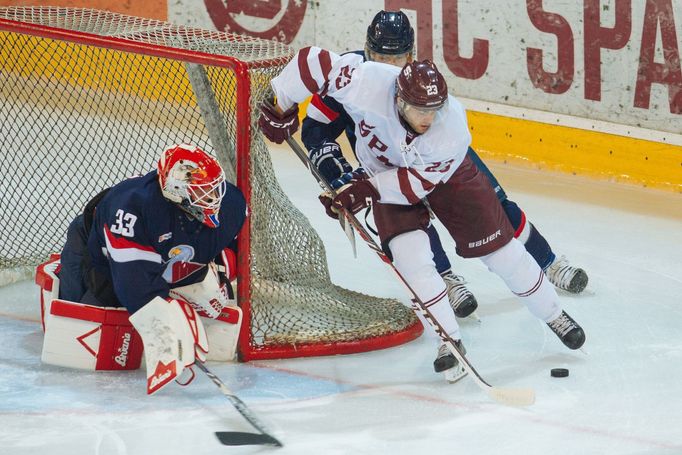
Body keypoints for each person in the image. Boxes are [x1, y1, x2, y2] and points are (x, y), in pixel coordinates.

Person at [258, 48, 586, 381]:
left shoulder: (451, 129)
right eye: (419, 110)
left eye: (433, 109)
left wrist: (361, 190)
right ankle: (449, 340)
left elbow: (413, 186)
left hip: (448, 176)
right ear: (400, 100)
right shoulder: (366, 83)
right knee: (409, 258)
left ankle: (554, 314)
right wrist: (280, 101)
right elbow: (314, 62)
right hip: (383, 173)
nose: (427, 118)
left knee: (501, 252)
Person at [301, 10, 588, 302]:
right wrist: (337, 175)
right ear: (366, 50)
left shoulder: (422, 80)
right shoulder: (349, 76)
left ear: (410, 56)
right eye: (379, 57)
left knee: (494, 205)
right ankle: (446, 280)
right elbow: (314, 130)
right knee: (412, 224)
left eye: (396, 58)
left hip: (439, 159)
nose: (388, 66)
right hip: (385, 168)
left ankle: (547, 261)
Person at [40, 144, 247, 394]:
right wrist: (166, 323)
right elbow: (134, 287)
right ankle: (60, 272)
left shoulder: (231, 203)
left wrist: (219, 277)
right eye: (203, 191)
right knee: (96, 313)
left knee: (201, 288)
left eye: (213, 188)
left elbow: (231, 248)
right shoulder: (130, 209)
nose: (214, 198)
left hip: (157, 254)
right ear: (176, 191)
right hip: (99, 251)